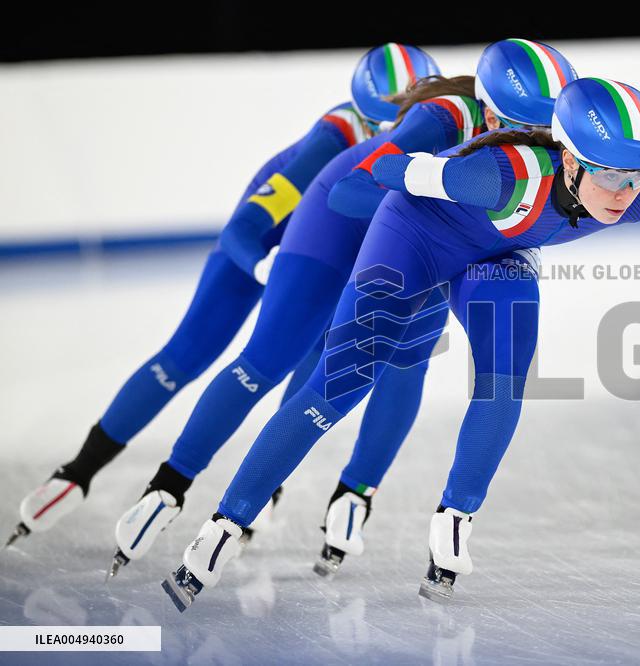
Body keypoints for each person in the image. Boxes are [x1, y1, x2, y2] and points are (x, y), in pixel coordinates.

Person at [162, 76, 640, 608]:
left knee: (507, 373)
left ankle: (455, 519)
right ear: (569, 161)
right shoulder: (495, 175)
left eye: (638, 175)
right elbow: (385, 170)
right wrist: (422, 163)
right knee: (338, 387)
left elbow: (592, 202)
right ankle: (223, 525)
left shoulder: (637, 202)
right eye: (610, 175)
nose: (624, 193)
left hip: (495, 257)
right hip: (415, 240)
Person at [110, 39, 576, 579]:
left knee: (406, 362)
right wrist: (441, 203)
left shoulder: (552, 145)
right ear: (489, 111)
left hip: (440, 236)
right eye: (521, 127)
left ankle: (355, 494)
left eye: (548, 133)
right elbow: (352, 191)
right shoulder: (441, 117)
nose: (534, 142)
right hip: (342, 223)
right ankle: (170, 485)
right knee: (271, 358)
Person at [6, 43, 441, 549]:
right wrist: (261, 265)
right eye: (382, 130)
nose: (395, 140)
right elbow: (247, 227)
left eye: (407, 128)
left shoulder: (428, 129)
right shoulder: (331, 140)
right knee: (189, 354)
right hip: (270, 243)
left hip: (332, 245)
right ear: (364, 121)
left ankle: (278, 483)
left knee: (326, 352)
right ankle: (80, 470)